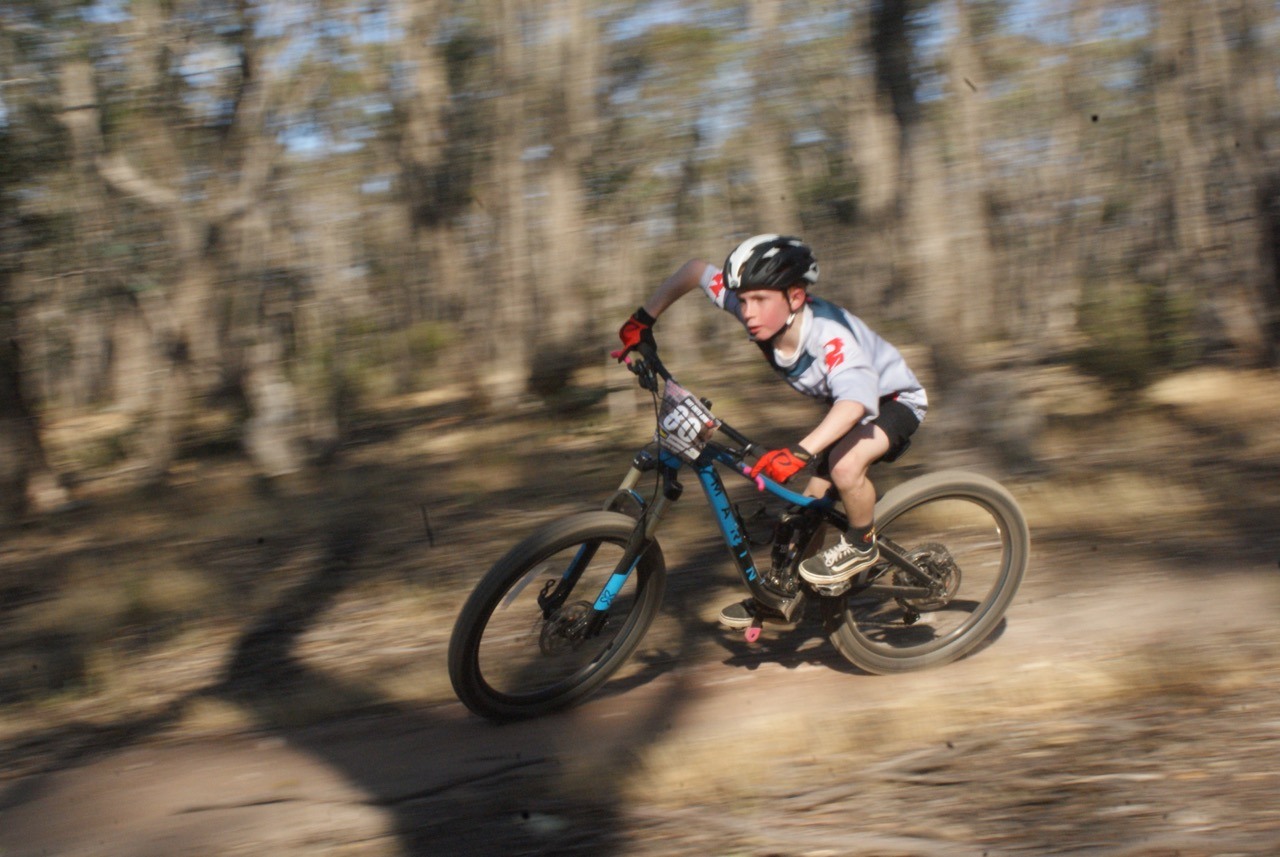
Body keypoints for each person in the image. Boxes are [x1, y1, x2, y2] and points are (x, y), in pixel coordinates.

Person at [610, 234, 928, 629]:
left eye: (759, 300)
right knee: (803, 512)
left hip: (892, 401)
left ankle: (863, 544)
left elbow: (856, 405)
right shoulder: (759, 308)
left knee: (845, 467)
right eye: (743, 301)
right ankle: (785, 592)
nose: (749, 312)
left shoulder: (829, 337)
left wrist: (799, 451)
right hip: (847, 405)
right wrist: (644, 318)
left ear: (795, 298)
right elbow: (694, 271)